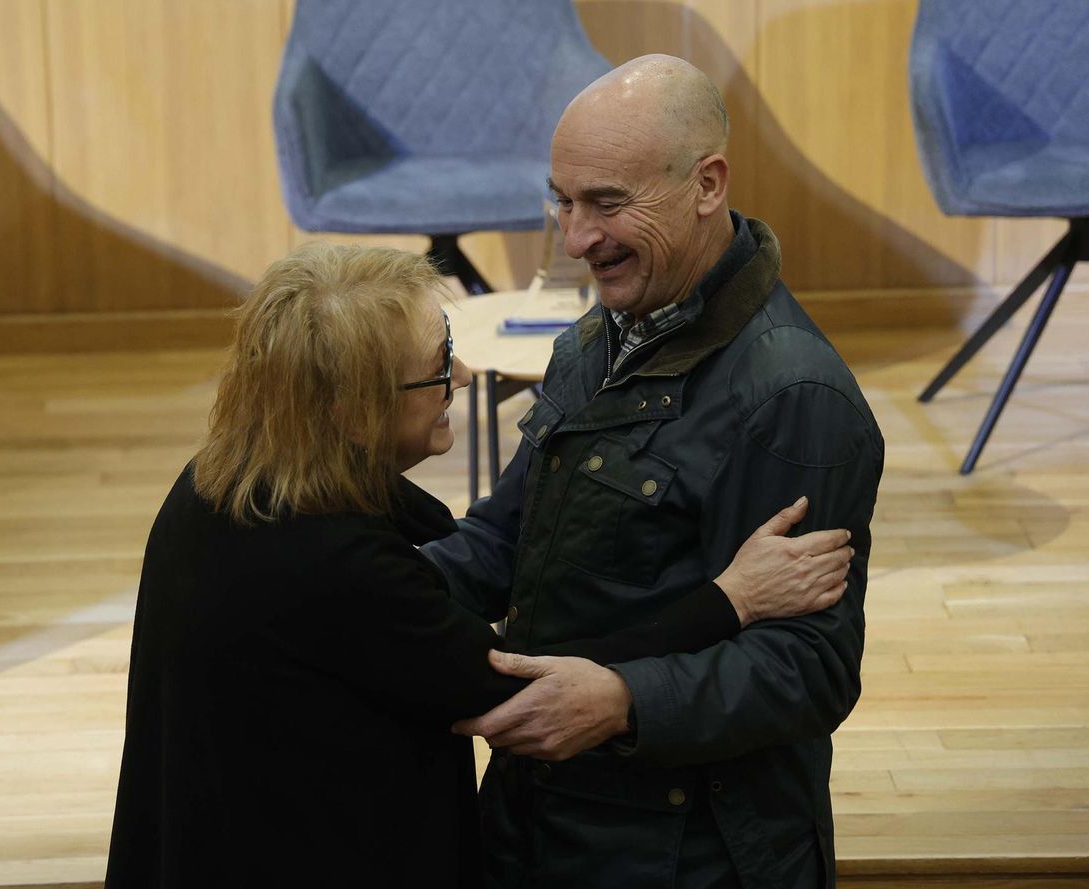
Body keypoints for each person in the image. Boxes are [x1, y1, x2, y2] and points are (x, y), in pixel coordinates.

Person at [104, 243, 855, 888]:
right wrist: (730, 600)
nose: (461, 376)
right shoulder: (334, 565)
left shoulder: (222, 478)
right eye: (435, 367)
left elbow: (461, 543)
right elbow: (521, 680)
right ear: (350, 410)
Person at [423, 55, 886, 888]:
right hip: (545, 816)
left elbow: (809, 667)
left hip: (691, 853)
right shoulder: (598, 335)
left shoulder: (793, 397)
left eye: (607, 203)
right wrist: (360, 588)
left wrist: (624, 700)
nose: (575, 239)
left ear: (707, 184)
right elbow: (508, 537)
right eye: (562, 200)